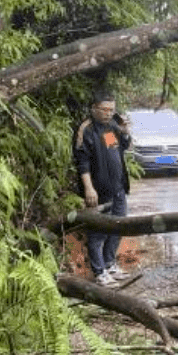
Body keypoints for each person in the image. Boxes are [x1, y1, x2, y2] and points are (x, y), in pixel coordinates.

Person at [72, 90, 132, 286]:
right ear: (94, 109)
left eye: (112, 110)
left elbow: (117, 150)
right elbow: (82, 162)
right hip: (98, 190)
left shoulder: (110, 127)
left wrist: (124, 132)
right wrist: (89, 189)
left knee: (118, 227)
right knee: (98, 232)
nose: (108, 113)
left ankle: (110, 263)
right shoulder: (86, 129)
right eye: (104, 110)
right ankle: (99, 272)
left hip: (118, 187)